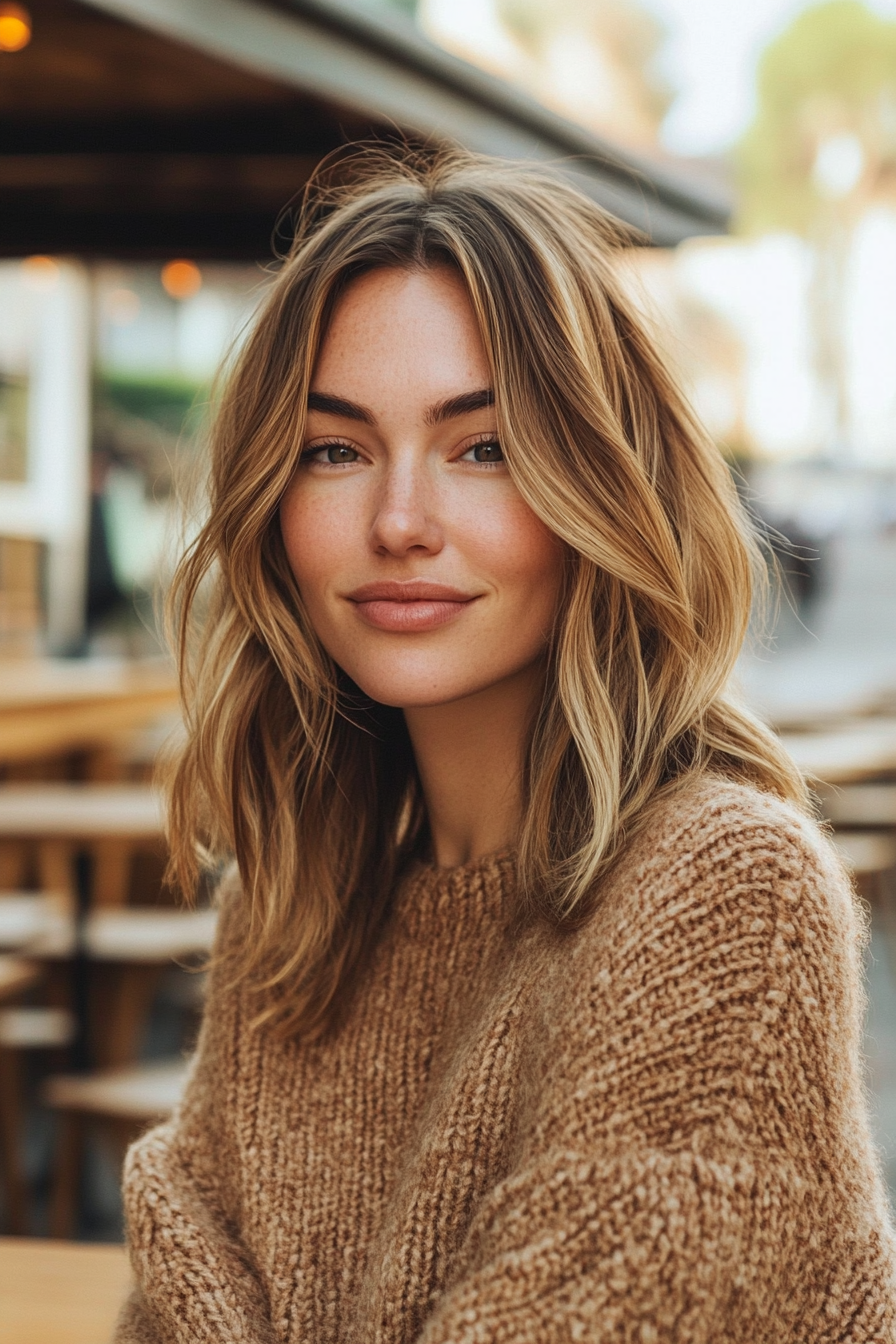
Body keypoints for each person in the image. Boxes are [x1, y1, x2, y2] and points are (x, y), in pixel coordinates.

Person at [115, 149, 896, 1343]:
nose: (398, 521)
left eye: (481, 447)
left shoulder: (724, 894)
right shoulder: (293, 916)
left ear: (600, 486)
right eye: (336, 449)